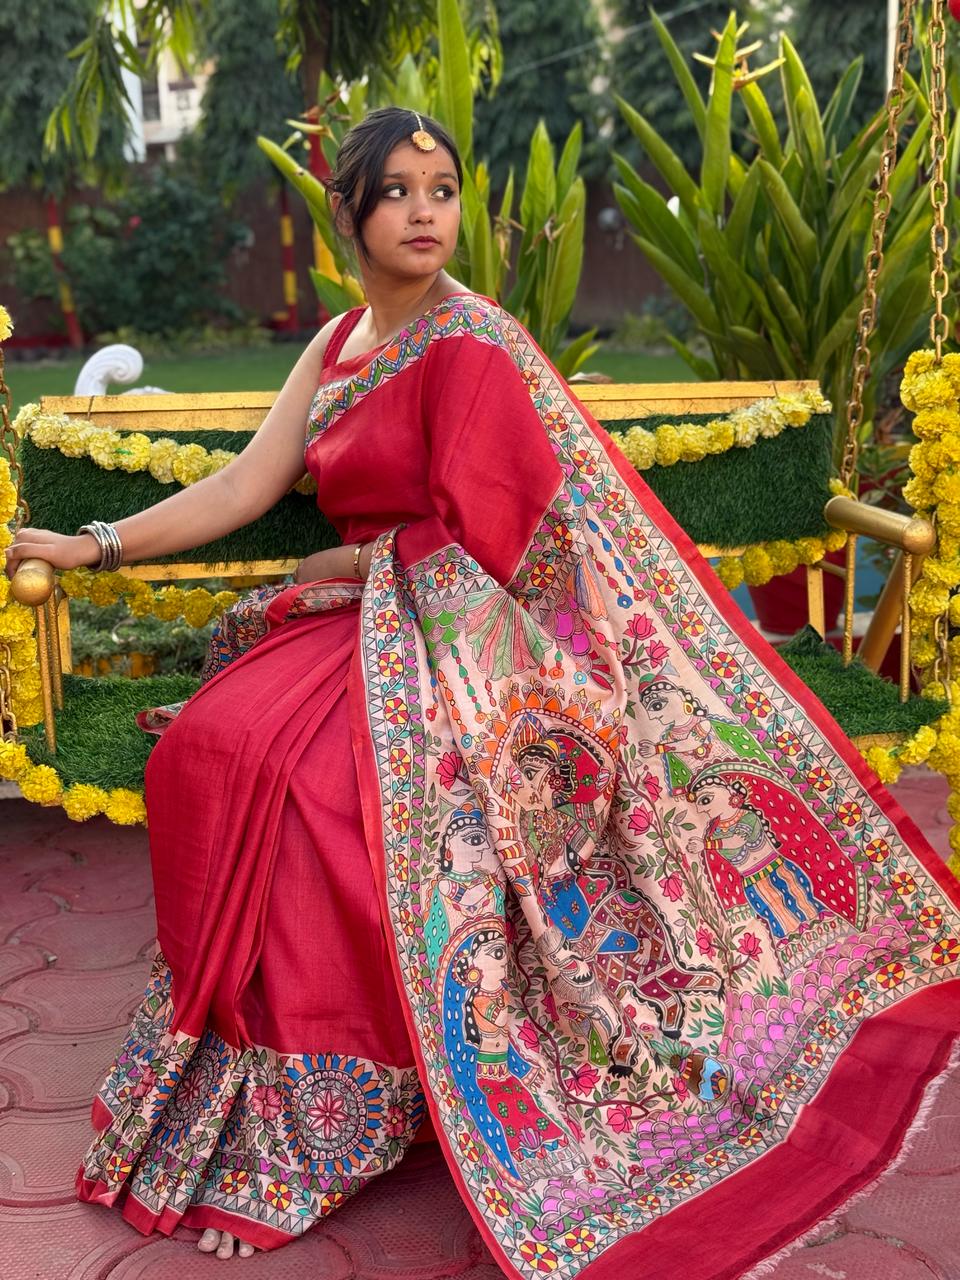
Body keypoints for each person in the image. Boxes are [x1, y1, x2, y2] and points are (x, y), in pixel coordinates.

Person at [5, 106, 960, 1279]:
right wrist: (100, 543)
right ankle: (245, 1081)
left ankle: (333, 1116)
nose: (424, 212)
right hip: (371, 628)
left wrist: (371, 560)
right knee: (212, 742)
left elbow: (539, 546)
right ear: (349, 214)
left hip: (483, 640)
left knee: (315, 785)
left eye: (442, 189)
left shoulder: (478, 341)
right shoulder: (342, 340)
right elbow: (247, 485)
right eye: (398, 191)